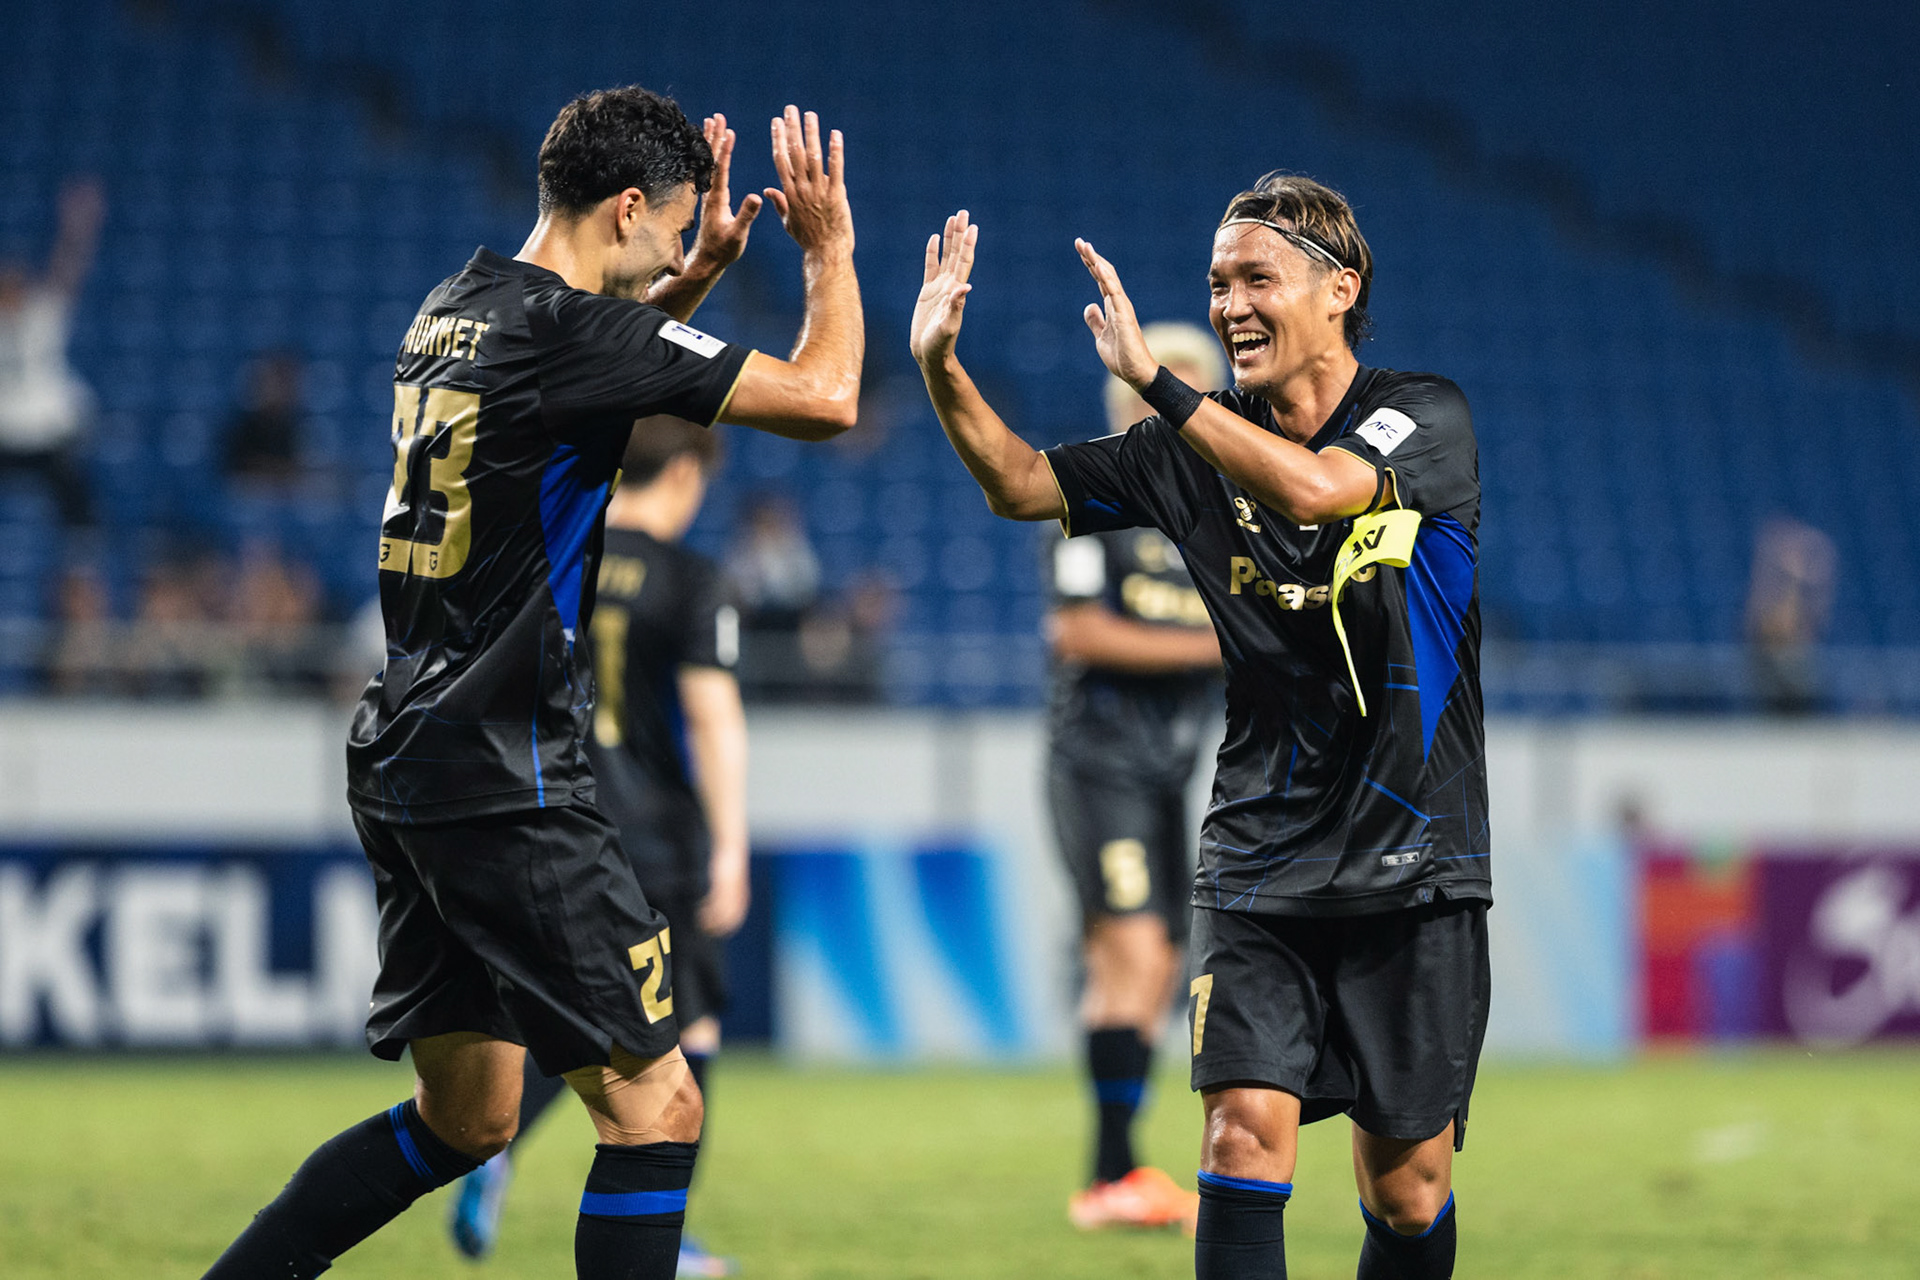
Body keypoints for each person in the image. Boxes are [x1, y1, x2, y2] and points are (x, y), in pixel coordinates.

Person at [200, 85, 861, 1280]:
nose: (677, 245)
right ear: (624, 207)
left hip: (409, 744)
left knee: (469, 1118)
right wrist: (830, 250)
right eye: (671, 229)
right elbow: (828, 398)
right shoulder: (568, 331)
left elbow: (599, 377)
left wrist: (697, 276)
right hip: (513, 769)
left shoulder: (455, 306)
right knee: (657, 1108)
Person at [910, 173, 1487, 1280]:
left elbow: (1322, 490)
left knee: (1408, 1191)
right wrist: (940, 368)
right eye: (1218, 283)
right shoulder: (1187, 451)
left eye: (1256, 279)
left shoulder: (1427, 414)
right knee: (1238, 1135)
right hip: (1257, 855)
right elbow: (1021, 483)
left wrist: (1162, 387)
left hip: (1414, 859)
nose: (1230, 305)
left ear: (1339, 290)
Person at [449, 417, 750, 1279]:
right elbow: (711, 715)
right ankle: (669, 1232)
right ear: (688, 471)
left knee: (580, 1015)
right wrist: (731, 845)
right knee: (688, 1027)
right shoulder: (692, 578)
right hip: (659, 835)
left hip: (565, 819)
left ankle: (494, 1146)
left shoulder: (568, 551)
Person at [1046, 322, 1224, 1232]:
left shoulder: (1217, 522)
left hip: (1166, 775)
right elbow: (1075, 632)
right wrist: (1214, 644)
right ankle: (1108, 1175)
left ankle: (1119, 1168)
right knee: (1127, 955)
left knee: (1152, 966)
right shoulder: (1099, 503)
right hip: (1098, 766)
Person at [0, 178, 103, 527]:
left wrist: (79, 228)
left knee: (77, 500)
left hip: (48, 435)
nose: (10, 293)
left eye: (16, 285)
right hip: (5, 434)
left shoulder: (42, 315)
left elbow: (67, 272)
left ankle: (82, 559)